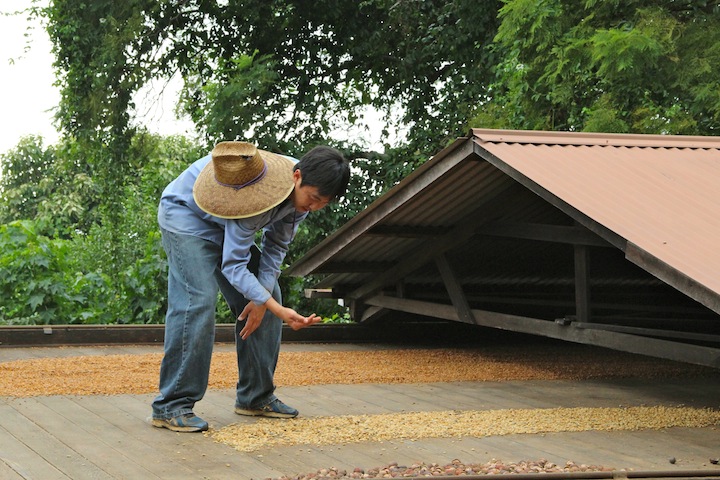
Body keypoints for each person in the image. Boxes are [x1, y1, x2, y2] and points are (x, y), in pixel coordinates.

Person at [151, 141, 350, 432]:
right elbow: (234, 265)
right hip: (186, 217)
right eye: (315, 198)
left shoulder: (304, 195)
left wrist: (264, 301)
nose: (316, 206)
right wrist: (272, 306)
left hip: (226, 223)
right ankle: (171, 405)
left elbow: (276, 248)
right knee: (199, 301)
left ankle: (255, 397)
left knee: (271, 294)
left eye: (325, 202)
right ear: (297, 177)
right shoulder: (258, 193)